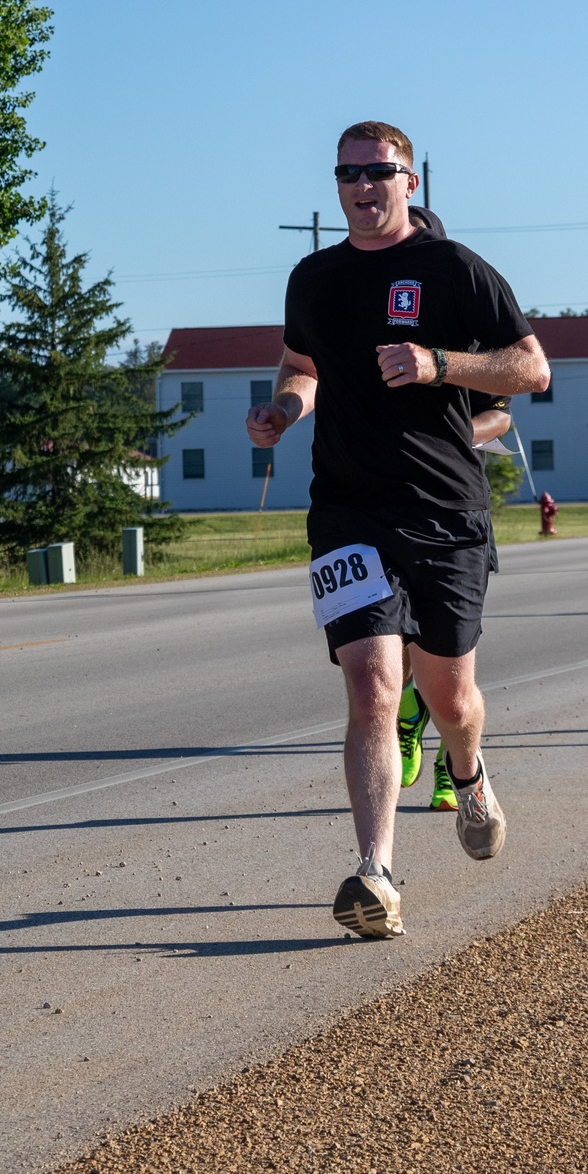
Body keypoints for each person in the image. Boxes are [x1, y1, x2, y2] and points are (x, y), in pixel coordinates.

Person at [246, 120, 550, 938]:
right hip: (347, 508)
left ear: (410, 181)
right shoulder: (313, 278)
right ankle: (376, 873)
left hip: (445, 510)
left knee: (449, 695)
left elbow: (531, 367)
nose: (362, 186)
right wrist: (283, 407)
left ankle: (470, 770)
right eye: (348, 173)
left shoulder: (453, 269)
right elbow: (302, 365)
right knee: (373, 686)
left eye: (378, 172)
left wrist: (438, 364)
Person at [398, 393, 513, 811]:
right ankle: (407, 709)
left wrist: (442, 439)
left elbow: (499, 418)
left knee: (450, 663)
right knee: (392, 642)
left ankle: (452, 766)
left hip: (455, 512)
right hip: (377, 511)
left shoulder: (469, 333)